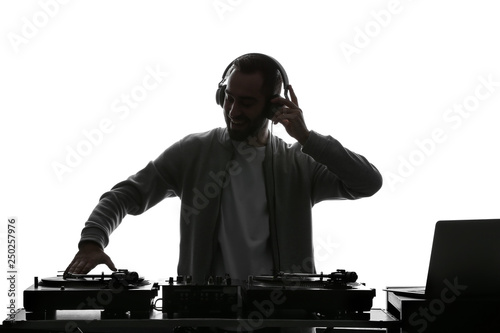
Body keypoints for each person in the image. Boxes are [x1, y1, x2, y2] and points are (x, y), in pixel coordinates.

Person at [65, 53, 383, 286]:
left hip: (284, 321)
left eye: (246, 102)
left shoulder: (299, 162)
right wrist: (93, 241)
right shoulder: (193, 153)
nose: (233, 111)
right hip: (208, 321)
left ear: (274, 107)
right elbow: (125, 195)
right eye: (228, 98)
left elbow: (367, 182)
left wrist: (308, 138)